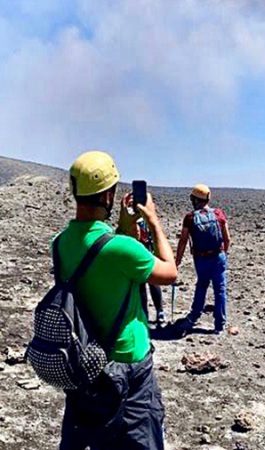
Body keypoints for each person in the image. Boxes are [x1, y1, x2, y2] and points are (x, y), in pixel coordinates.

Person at [57, 150, 177, 449]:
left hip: (85, 361)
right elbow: (170, 272)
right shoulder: (122, 249)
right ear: (109, 195)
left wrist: (124, 226)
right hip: (128, 364)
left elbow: (101, 255)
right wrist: (153, 222)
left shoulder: (59, 244)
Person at [175, 184, 231, 334]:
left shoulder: (190, 217)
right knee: (220, 290)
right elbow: (227, 239)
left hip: (201, 259)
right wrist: (223, 254)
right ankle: (219, 325)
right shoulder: (218, 214)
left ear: (194, 199)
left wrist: (177, 260)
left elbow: (183, 240)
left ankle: (194, 316)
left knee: (201, 286)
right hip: (218, 256)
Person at [135, 217, 166, 327]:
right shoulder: (150, 220)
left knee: (141, 286)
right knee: (153, 283)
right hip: (151, 254)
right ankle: (159, 312)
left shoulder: (135, 222)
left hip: (140, 256)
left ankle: (145, 314)